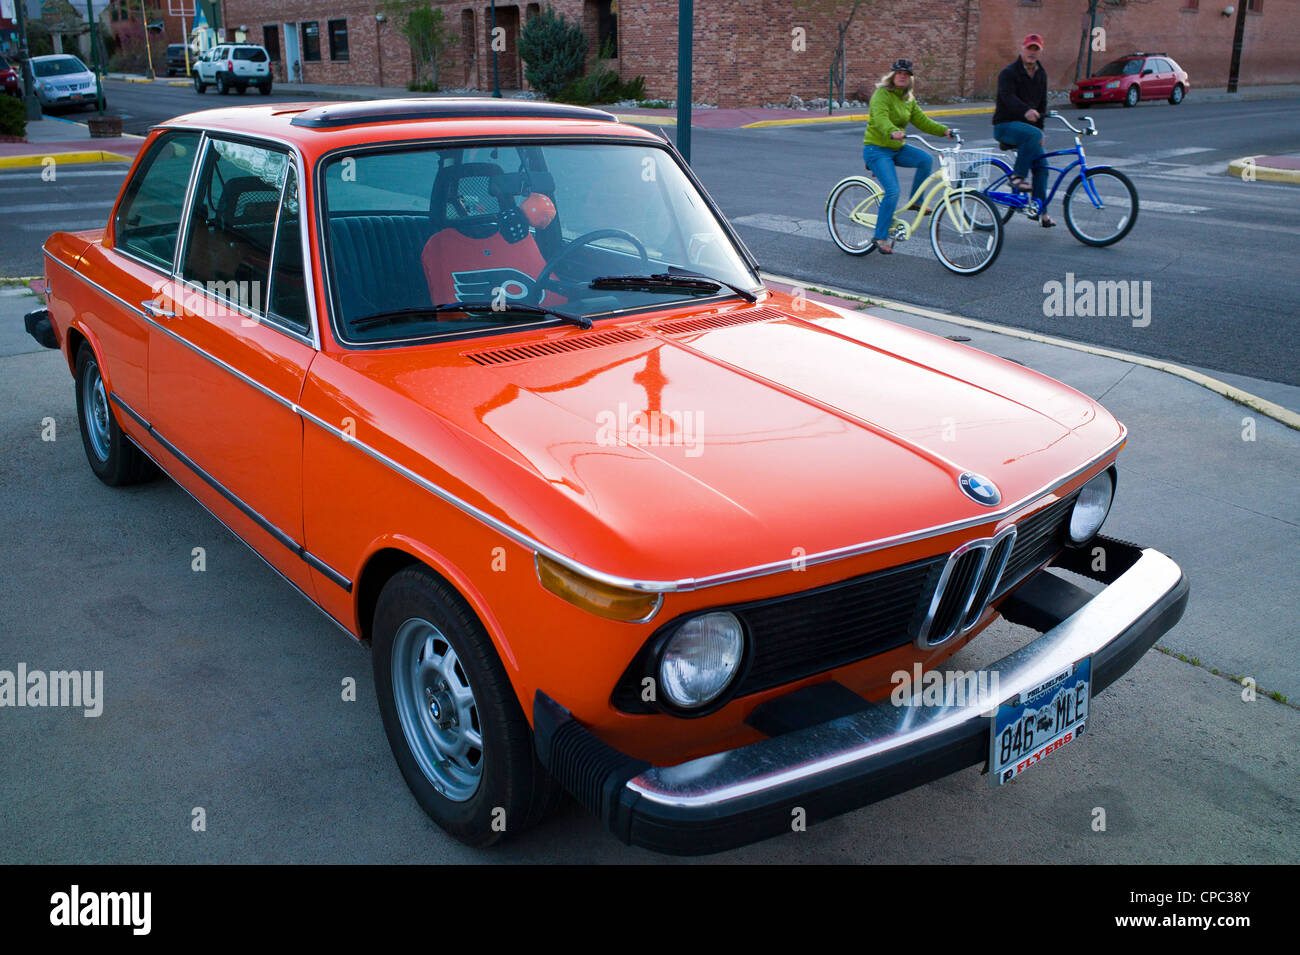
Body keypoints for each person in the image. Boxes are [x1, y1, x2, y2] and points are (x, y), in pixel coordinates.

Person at [861, 58, 955, 254]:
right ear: (893, 75)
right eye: (899, 73)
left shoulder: (908, 99)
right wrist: (892, 130)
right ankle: (880, 236)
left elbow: (922, 121)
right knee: (893, 191)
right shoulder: (882, 95)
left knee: (925, 159)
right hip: (876, 149)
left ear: (910, 78)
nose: (903, 76)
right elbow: (879, 118)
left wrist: (944, 131)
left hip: (896, 148)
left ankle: (917, 201)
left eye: (907, 74)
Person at [992, 34, 1055, 228]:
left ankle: (1039, 211)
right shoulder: (1009, 73)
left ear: (1040, 51)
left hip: (1028, 132)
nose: (1032, 53)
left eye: (1036, 49)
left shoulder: (1041, 74)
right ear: (1022, 49)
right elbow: (1006, 96)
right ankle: (1017, 177)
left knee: (1042, 168)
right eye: (1029, 48)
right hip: (1005, 126)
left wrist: (1041, 130)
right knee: (1033, 134)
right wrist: (1025, 111)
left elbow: (1042, 104)